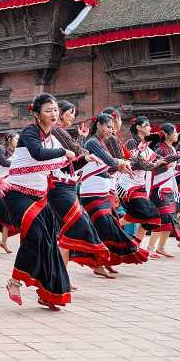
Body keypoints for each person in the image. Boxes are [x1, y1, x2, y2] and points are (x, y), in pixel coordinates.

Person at [2, 94, 74, 310]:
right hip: (18, 195)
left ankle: (47, 293)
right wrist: (64, 151)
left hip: (40, 197)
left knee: (48, 244)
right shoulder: (29, 133)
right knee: (36, 235)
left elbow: (59, 169)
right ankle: (14, 281)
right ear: (36, 113)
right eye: (48, 110)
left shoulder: (52, 138)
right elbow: (38, 154)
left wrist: (81, 160)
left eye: (55, 110)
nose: (53, 114)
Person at [49, 101, 111, 272]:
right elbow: (77, 151)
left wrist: (82, 143)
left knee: (68, 230)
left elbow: (75, 156)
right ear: (60, 113)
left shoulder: (58, 132)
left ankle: (61, 275)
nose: (73, 117)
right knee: (76, 226)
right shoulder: (57, 130)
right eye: (70, 113)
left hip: (66, 186)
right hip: (59, 187)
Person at [79, 113, 145, 272]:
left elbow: (110, 166)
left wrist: (124, 164)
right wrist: (123, 162)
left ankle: (104, 261)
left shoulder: (101, 143)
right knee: (104, 226)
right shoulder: (93, 142)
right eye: (108, 127)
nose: (111, 130)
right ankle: (98, 263)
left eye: (113, 127)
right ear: (99, 125)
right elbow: (110, 161)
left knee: (108, 226)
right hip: (92, 192)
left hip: (102, 191)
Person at [120, 116, 163, 244]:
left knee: (151, 217)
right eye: (147, 125)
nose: (150, 127)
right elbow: (135, 165)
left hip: (140, 185)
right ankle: (109, 229)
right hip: (128, 185)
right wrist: (154, 165)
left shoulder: (146, 146)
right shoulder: (131, 143)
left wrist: (176, 156)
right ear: (139, 127)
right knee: (148, 213)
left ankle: (135, 244)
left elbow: (160, 160)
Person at [147, 123, 180, 258]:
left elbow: (172, 167)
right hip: (159, 188)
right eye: (175, 132)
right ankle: (150, 248)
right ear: (167, 134)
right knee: (162, 217)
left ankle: (161, 247)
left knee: (171, 218)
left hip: (169, 186)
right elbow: (153, 168)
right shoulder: (160, 149)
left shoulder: (173, 150)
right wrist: (167, 166)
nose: (177, 134)